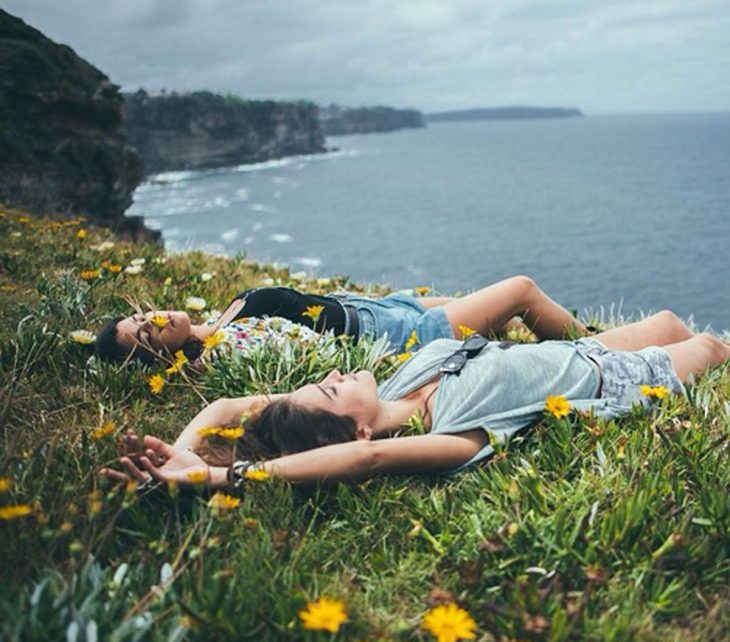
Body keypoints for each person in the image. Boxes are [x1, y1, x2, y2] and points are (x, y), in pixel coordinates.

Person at [101, 311, 729, 488]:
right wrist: (223, 478)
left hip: (586, 349)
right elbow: (367, 466)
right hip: (619, 379)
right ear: (358, 435)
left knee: (672, 317)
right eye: (329, 391)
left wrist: (184, 454)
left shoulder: (397, 387)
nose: (338, 374)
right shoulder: (450, 435)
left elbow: (224, 408)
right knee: (709, 346)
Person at [95, 276, 590, 363]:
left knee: (497, 318)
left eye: (142, 314)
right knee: (521, 292)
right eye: (146, 332)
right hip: (394, 334)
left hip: (386, 308)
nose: (154, 317)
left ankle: (569, 338)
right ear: (160, 354)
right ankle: (599, 349)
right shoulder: (227, 349)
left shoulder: (223, 319)